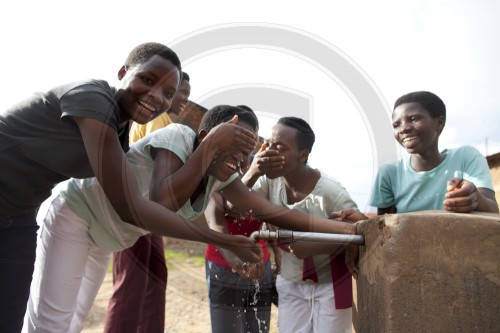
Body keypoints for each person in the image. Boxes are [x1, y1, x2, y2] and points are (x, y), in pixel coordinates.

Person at [0, 42, 242, 332]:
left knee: (10, 317)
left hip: (19, 214)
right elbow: (131, 208)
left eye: (167, 93)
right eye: (148, 80)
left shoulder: (121, 135)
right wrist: (222, 239)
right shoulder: (92, 98)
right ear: (123, 72)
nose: (156, 96)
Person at [242, 117, 365, 333]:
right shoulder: (268, 180)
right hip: (290, 283)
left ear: (303, 155)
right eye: (267, 144)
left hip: (330, 286)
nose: (270, 152)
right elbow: (235, 204)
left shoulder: (330, 192)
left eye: (279, 148)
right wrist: (252, 171)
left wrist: (316, 245)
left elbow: (360, 231)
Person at [104, 71, 191, 332]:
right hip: (135, 206)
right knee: (132, 283)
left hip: (149, 214)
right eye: (181, 92)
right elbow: (161, 170)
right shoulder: (162, 122)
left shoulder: (167, 123)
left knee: (155, 278)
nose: (185, 99)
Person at [203, 106, 277, 333]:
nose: (240, 154)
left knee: (258, 328)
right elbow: (218, 220)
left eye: (248, 145)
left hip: (259, 264)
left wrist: (278, 259)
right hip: (224, 263)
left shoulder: (259, 168)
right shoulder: (214, 169)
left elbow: (271, 216)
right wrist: (236, 262)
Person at [370, 91, 499, 215]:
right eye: (396, 125)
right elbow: (382, 227)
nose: (404, 128)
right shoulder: (389, 174)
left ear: (439, 123)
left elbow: (493, 211)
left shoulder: (466, 157)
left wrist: (476, 198)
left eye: (413, 119)